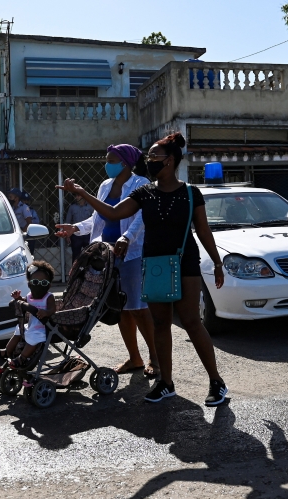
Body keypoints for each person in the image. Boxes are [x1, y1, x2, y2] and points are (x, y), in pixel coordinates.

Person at [57, 133, 228, 407]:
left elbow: (204, 231)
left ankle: (216, 381)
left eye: (154, 157)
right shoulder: (144, 193)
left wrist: (217, 263)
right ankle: (166, 383)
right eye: (148, 157)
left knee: (192, 323)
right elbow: (112, 214)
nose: (148, 161)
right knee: (160, 323)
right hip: (154, 264)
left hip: (185, 263)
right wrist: (82, 193)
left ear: (169, 161)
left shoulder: (190, 193)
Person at [56, 144, 159, 378]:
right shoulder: (105, 186)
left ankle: (156, 357)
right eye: (106, 159)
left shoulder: (141, 183)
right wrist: (75, 228)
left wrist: (127, 237)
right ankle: (135, 358)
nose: (107, 164)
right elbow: (97, 219)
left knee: (138, 309)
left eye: (111, 160)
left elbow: (141, 219)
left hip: (132, 254)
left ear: (125, 163)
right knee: (120, 308)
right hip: (108, 256)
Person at [0, 261, 57, 368]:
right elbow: (25, 302)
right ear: (29, 283)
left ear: (49, 285)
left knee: (33, 337)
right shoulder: (30, 295)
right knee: (18, 330)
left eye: (44, 283)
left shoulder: (48, 297)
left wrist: (46, 312)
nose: (39, 285)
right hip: (31, 325)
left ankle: (22, 358)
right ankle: (7, 351)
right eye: (35, 282)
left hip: (42, 327)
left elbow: (53, 309)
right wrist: (18, 298)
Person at [65, 193, 94, 262]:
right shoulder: (72, 207)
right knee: (76, 255)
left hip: (87, 234)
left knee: (90, 254)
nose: (76, 197)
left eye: (78, 195)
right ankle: (75, 271)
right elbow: (68, 221)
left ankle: (88, 271)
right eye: (76, 195)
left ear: (83, 196)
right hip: (76, 235)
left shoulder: (90, 207)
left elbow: (94, 220)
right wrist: (67, 235)